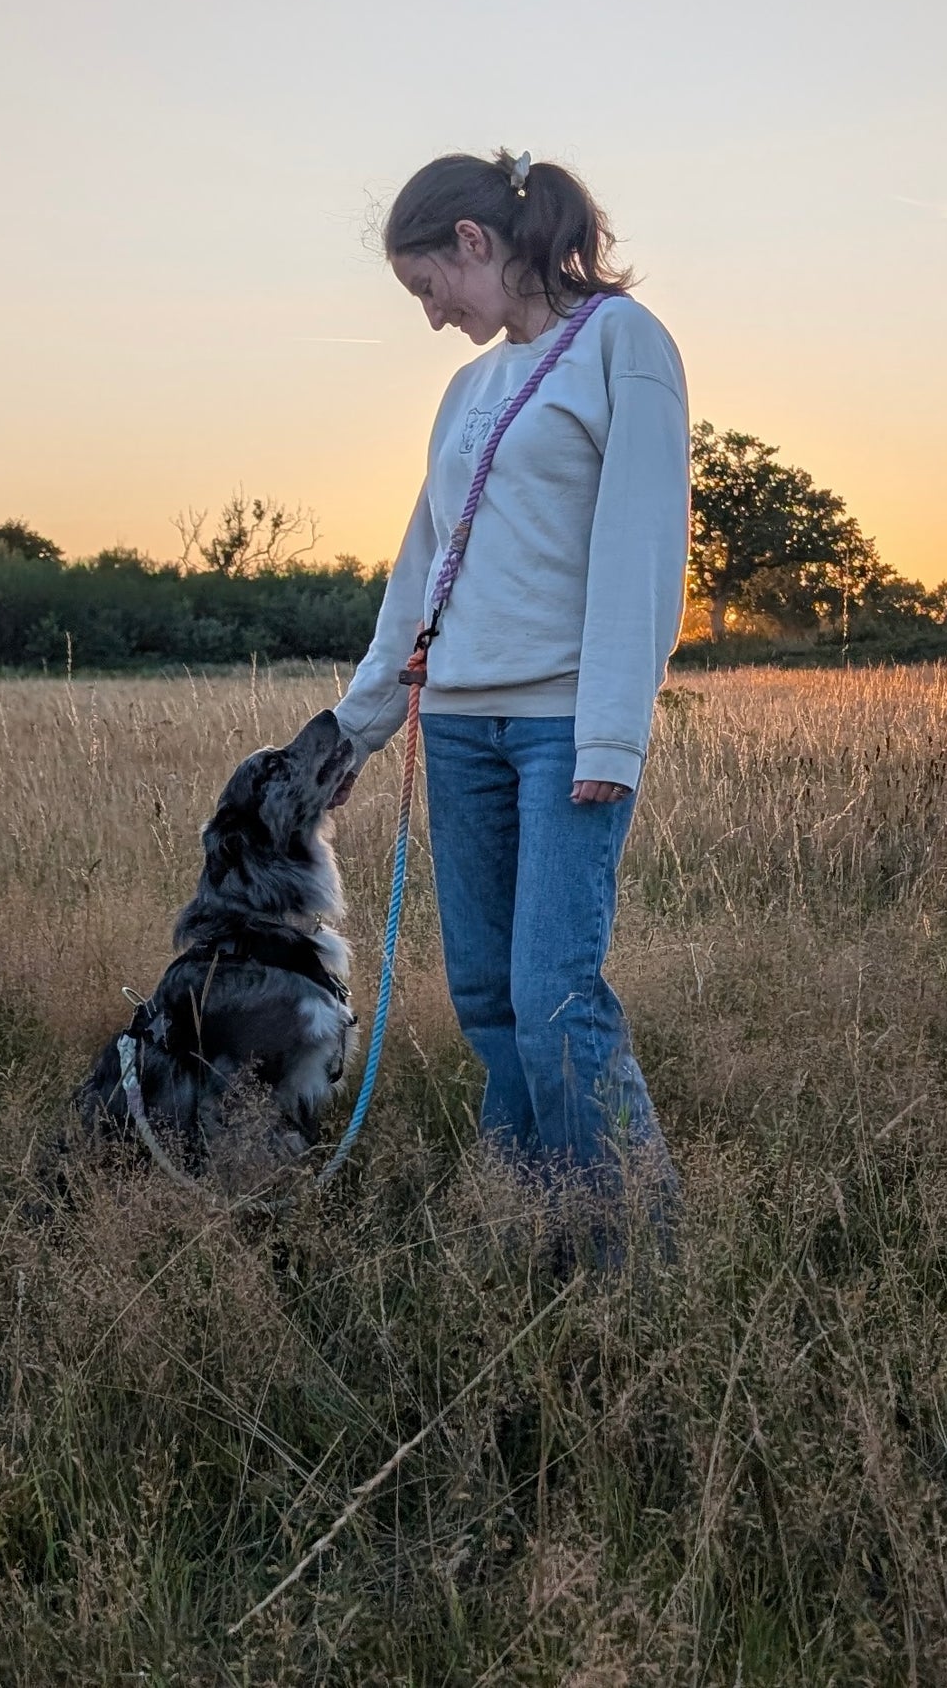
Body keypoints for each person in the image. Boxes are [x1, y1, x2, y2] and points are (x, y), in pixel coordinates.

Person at [331, 148, 689, 1199]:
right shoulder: (466, 388)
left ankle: (631, 1254)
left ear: (473, 243)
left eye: (426, 285)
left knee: (552, 999)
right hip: (456, 728)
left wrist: (612, 734)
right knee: (486, 998)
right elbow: (418, 570)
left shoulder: (622, 343)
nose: (431, 314)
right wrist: (351, 734)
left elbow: (642, 551)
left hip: (559, 725)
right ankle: (527, 1220)